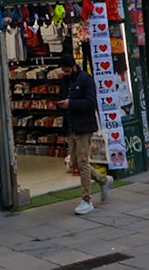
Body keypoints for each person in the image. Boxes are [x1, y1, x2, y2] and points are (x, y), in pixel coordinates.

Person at [56, 54, 111, 213]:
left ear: (73, 67)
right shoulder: (65, 81)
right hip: (71, 126)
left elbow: (91, 102)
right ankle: (103, 180)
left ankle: (87, 200)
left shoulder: (85, 79)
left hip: (84, 127)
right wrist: (60, 104)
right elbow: (62, 98)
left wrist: (70, 104)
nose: (65, 73)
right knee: (76, 162)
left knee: (82, 161)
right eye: (63, 71)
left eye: (67, 71)